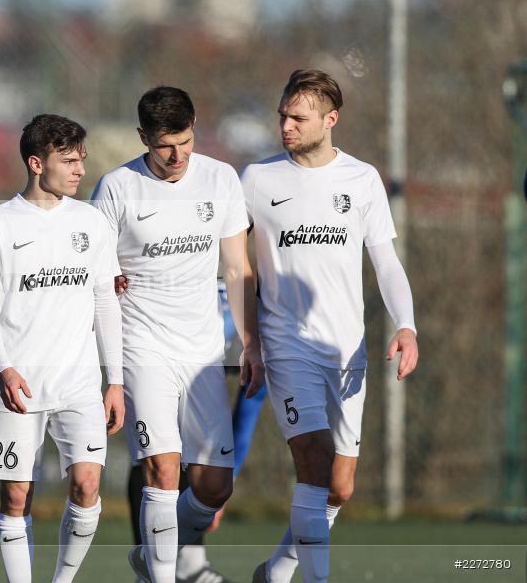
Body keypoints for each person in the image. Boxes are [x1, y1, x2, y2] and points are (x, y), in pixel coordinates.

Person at [244, 69, 418, 583]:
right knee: (314, 463)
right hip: (285, 343)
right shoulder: (256, 179)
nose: (287, 126)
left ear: (330, 119)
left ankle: (274, 571)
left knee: (340, 487)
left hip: (347, 349)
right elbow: (228, 253)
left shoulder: (362, 179)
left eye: (299, 117)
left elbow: (386, 263)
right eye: (283, 116)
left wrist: (406, 326)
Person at [92, 86, 265, 583]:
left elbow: (236, 267)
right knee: (162, 472)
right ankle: (164, 573)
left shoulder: (220, 178)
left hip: (203, 352)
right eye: (164, 145)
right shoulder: (116, 188)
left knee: (214, 488)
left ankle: (155, 551)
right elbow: (94, 276)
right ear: (143, 137)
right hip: (142, 348)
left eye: (185, 141)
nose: (176, 156)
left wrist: (251, 342)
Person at [0, 114, 125, 583]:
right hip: (17, 386)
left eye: (81, 160)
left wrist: (115, 381)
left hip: (79, 384)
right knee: (17, 496)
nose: (80, 170)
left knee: (87, 485)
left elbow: (106, 301)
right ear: (37, 163)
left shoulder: (91, 222)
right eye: (69, 161)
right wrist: (4, 369)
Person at [125, 284, 268, 583]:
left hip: (215, 331)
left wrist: (230, 477)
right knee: (155, 458)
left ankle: (186, 564)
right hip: (155, 334)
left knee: (206, 467)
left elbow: (247, 409)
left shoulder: (257, 326)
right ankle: (159, 568)